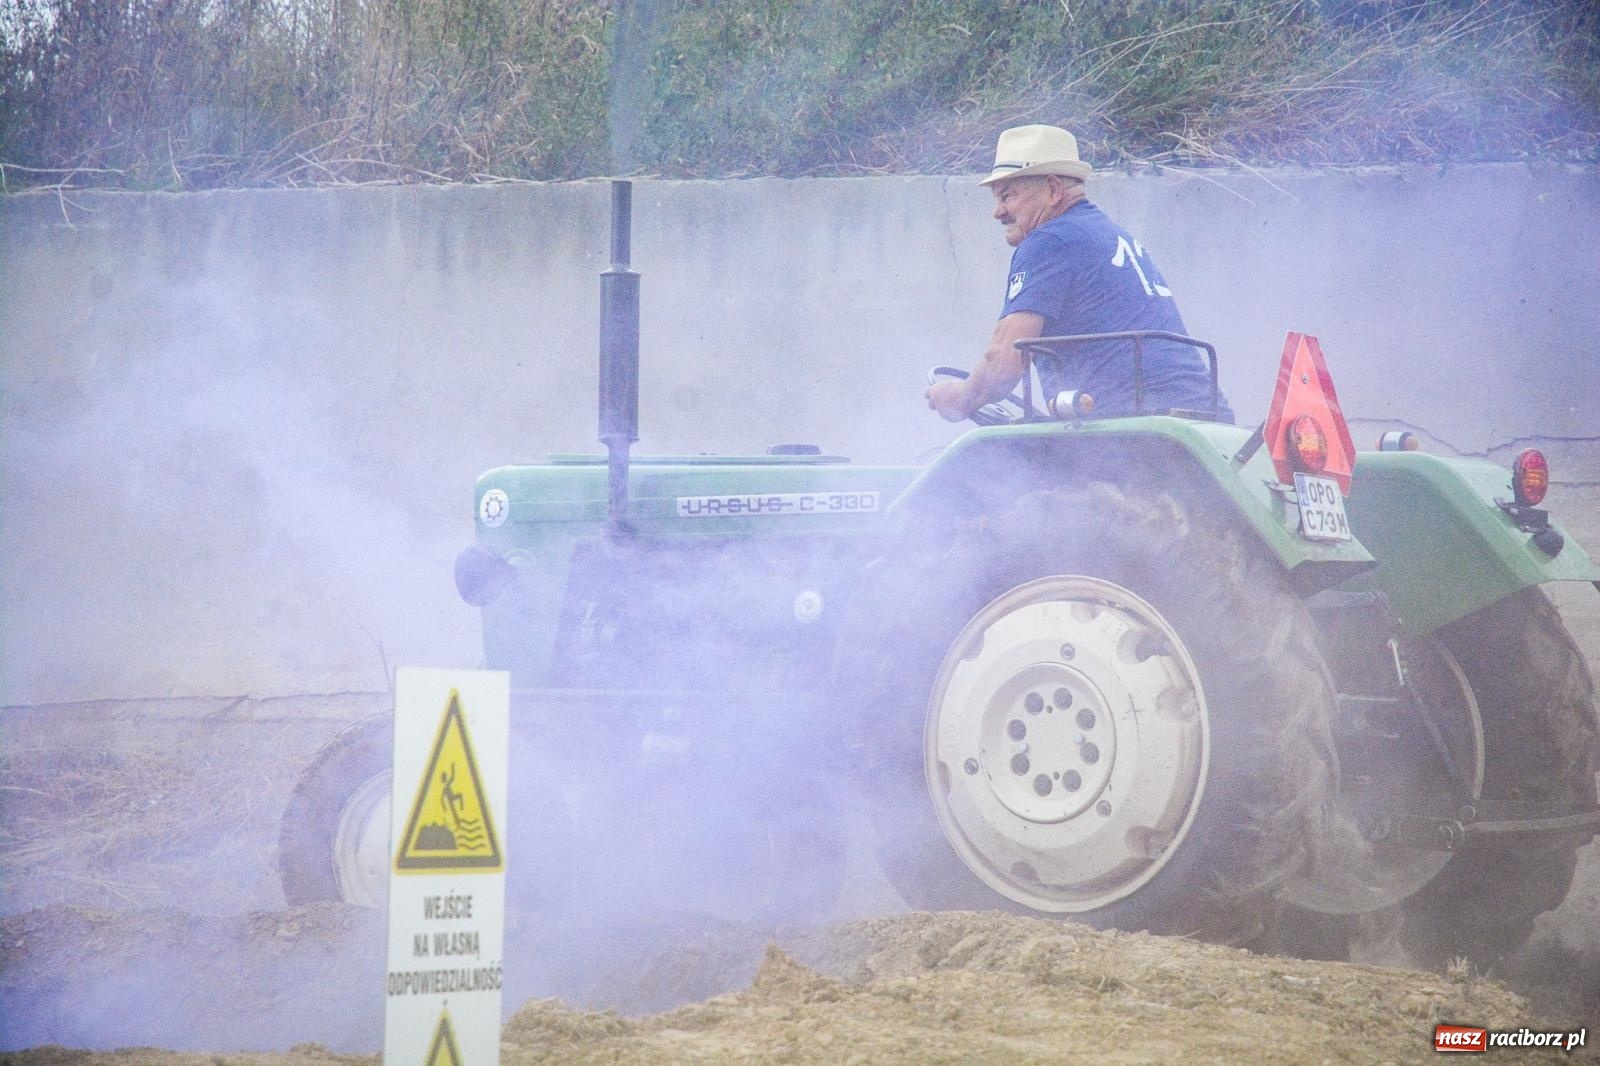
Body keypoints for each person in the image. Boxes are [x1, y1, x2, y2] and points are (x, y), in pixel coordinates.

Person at [925, 124, 1234, 424]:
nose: (998, 212)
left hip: (1133, 427)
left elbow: (1006, 360)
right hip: (1205, 416)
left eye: (1007, 195)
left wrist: (962, 397)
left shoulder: (1049, 241)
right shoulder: (1110, 235)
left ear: (1052, 190)